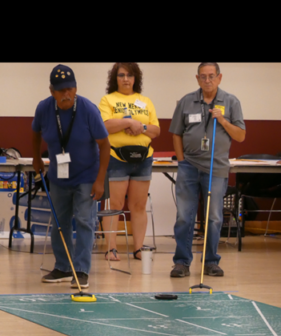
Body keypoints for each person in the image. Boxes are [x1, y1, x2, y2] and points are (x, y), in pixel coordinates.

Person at [32, 64, 110, 288]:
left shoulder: (88, 110)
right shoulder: (44, 109)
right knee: (60, 222)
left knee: (85, 220)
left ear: (75, 89)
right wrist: (37, 158)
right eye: (61, 90)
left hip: (87, 175)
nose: (66, 94)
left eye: (70, 89)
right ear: (51, 91)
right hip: (59, 176)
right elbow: (35, 132)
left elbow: (105, 145)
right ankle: (63, 267)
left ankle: (82, 270)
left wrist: (99, 179)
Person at [169, 62, 246, 278]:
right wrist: (182, 161)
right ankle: (182, 262)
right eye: (203, 77)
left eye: (212, 76)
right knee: (184, 216)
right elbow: (176, 134)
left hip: (216, 167)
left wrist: (222, 120)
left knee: (214, 217)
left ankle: (211, 261)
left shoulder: (231, 102)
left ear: (220, 78)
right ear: (197, 79)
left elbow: (240, 135)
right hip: (189, 167)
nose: (207, 80)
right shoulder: (186, 101)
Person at [98, 62, 160, 261]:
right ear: (114, 78)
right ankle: (111, 249)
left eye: (130, 75)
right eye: (121, 75)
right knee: (115, 205)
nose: (126, 79)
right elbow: (106, 126)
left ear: (136, 79)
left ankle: (139, 249)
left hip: (143, 158)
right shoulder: (107, 100)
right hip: (116, 158)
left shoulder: (146, 101)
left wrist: (140, 127)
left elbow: (155, 130)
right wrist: (128, 122)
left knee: (139, 206)